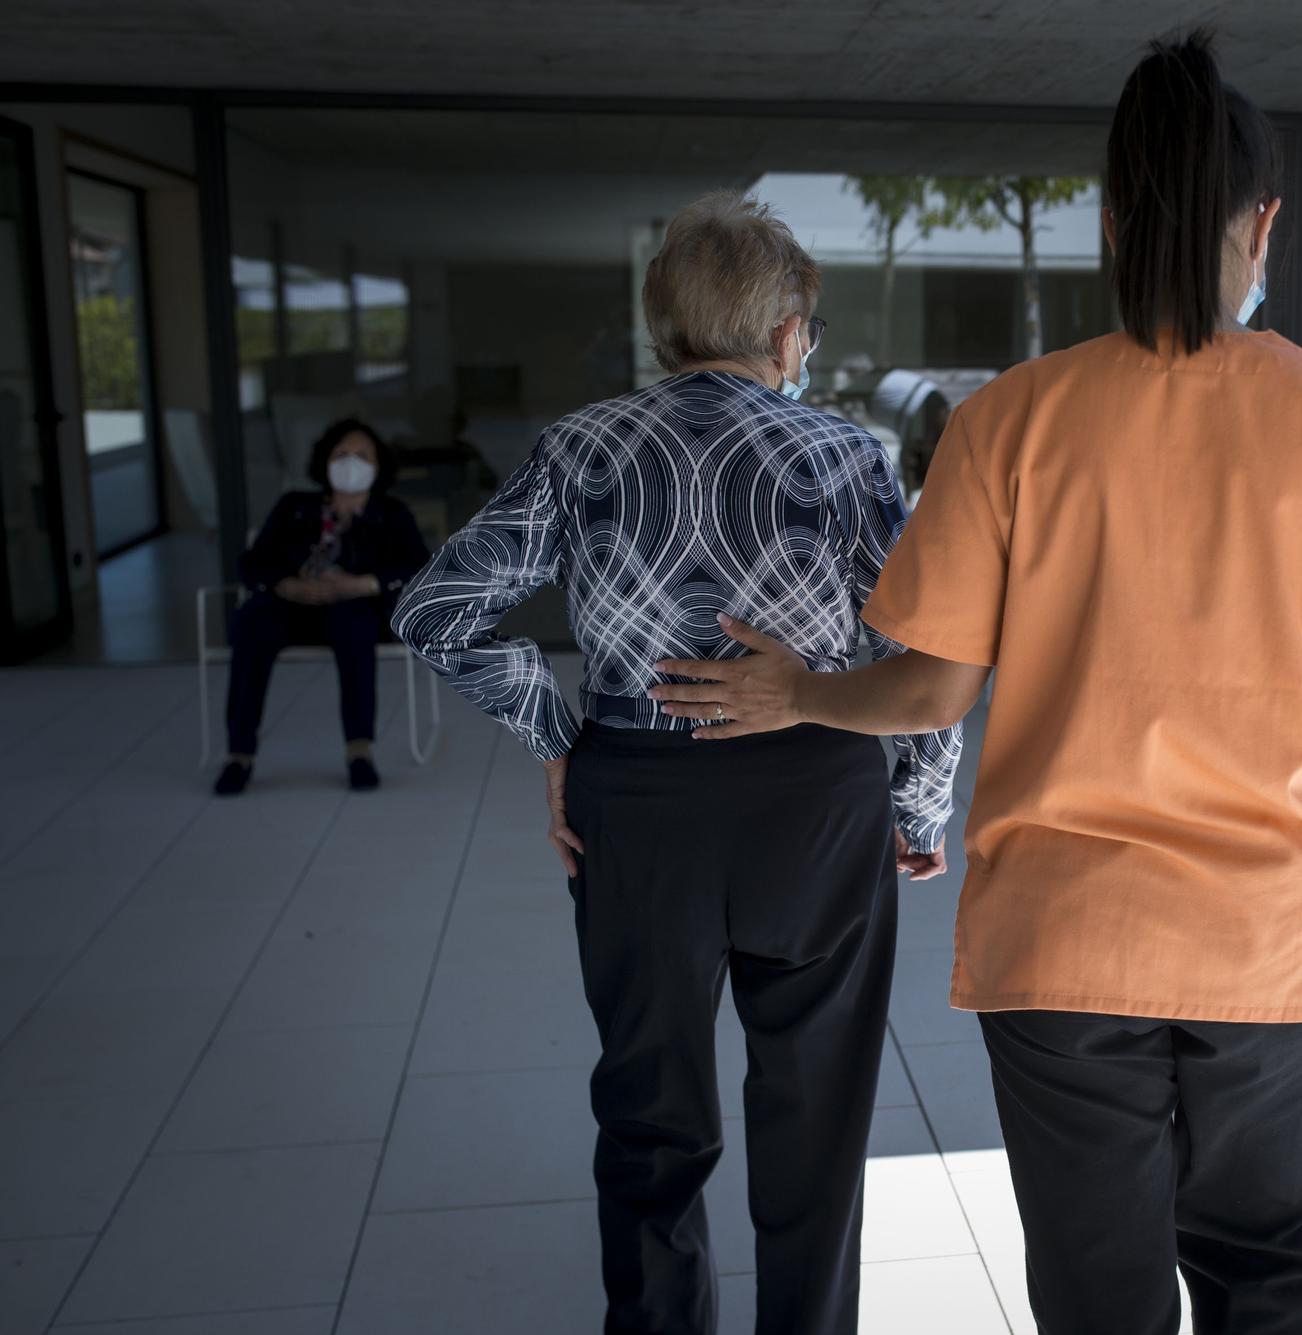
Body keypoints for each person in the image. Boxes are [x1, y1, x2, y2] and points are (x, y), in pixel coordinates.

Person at [642, 32, 1302, 1335]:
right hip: (1274, 935)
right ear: (1265, 222)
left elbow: (929, 692)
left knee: (1097, 1285)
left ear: (1110, 216)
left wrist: (797, 691)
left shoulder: (1007, 422)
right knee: (1262, 1263)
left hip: (1062, 941)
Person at [393, 193, 962, 1335]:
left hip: (637, 804)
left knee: (651, 1114)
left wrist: (559, 739)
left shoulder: (580, 446)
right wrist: (918, 808)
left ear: (664, 328)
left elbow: (435, 610)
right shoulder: (846, 454)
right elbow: (917, 650)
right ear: (790, 331)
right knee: (815, 1113)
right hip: (814, 797)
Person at [215, 418, 429, 795]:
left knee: (353, 621)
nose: (351, 462)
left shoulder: (392, 513)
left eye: (362, 455)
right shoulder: (294, 506)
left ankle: (359, 751)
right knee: (252, 624)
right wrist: (287, 584)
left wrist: (362, 583)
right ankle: (239, 754)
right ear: (324, 461)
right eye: (341, 453)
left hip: (356, 609)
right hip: (292, 607)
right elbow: (253, 562)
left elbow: (417, 563)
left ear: (378, 466)